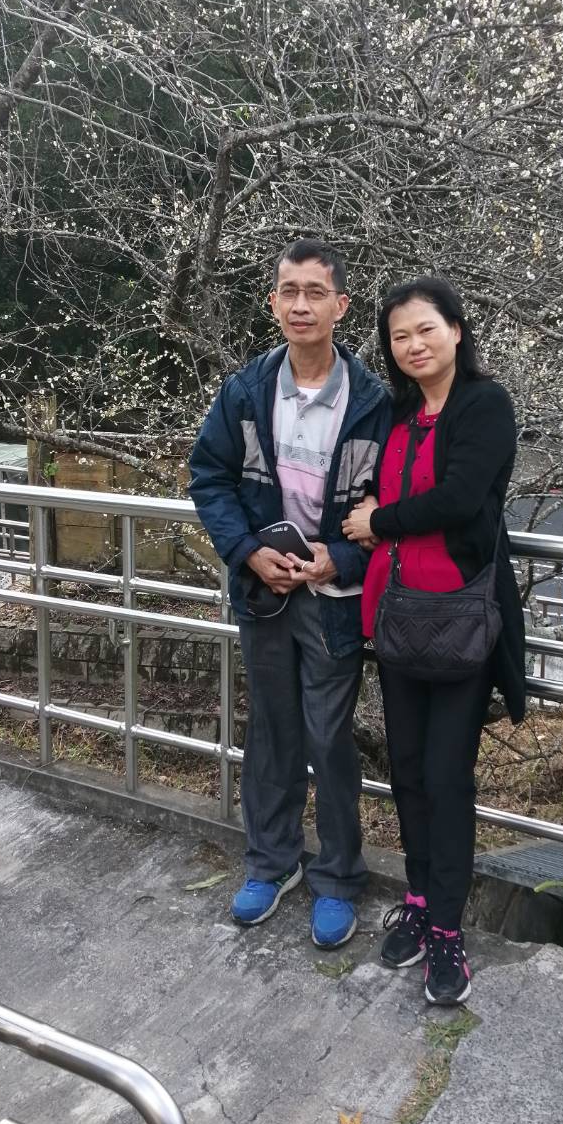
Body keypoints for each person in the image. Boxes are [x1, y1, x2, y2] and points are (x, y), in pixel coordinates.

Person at [189, 239, 390, 948]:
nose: (301, 305)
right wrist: (248, 551)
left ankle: (337, 876)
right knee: (272, 729)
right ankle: (271, 862)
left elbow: (393, 503)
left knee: (329, 737)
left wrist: (340, 556)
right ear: (273, 302)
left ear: (341, 305)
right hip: (264, 593)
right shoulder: (246, 391)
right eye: (289, 291)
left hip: (334, 597)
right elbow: (209, 476)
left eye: (315, 292)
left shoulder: (373, 402)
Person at [342, 277, 525, 1005]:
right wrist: (362, 511)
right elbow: (365, 485)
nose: (413, 345)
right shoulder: (397, 412)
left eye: (425, 329)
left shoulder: (485, 405)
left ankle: (448, 928)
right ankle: (419, 901)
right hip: (396, 618)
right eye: (399, 336)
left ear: (456, 329)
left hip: (458, 622)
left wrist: (379, 521)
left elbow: (459, 498)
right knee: (410, 770)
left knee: (448, 777)